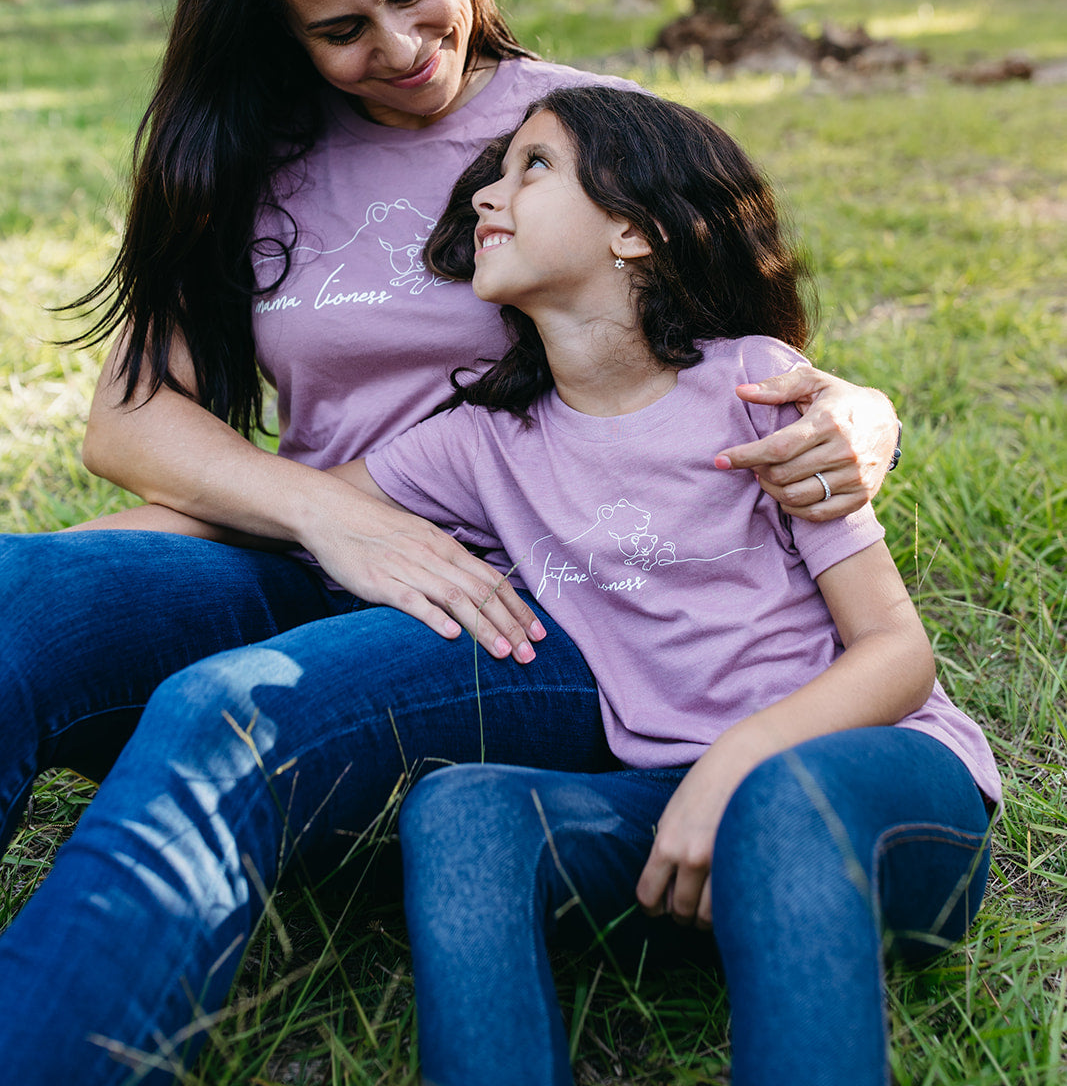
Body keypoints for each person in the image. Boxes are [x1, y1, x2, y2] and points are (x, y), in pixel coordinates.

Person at [0, 0, 898, 1080]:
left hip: (540, 602)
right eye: (339, 29)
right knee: (17, 594)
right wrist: (325, 515)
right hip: (326, 545)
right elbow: (129, 415)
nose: (404, 46)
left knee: (222, 716)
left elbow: (739, 368)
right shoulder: (251, 155)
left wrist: (867, 413)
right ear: (276, 29)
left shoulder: (585, 130)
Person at [342, 86, 997, 1086]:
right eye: (492, 171)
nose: (485, 195)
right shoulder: (482, 444)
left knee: (779, 802)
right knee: (462, 812)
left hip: (871, 790)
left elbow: (897, 654)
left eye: (532, 167)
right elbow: (306, 504)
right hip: (669, 822)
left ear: (635, 233)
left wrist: (735, 764)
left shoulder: (753, 387)